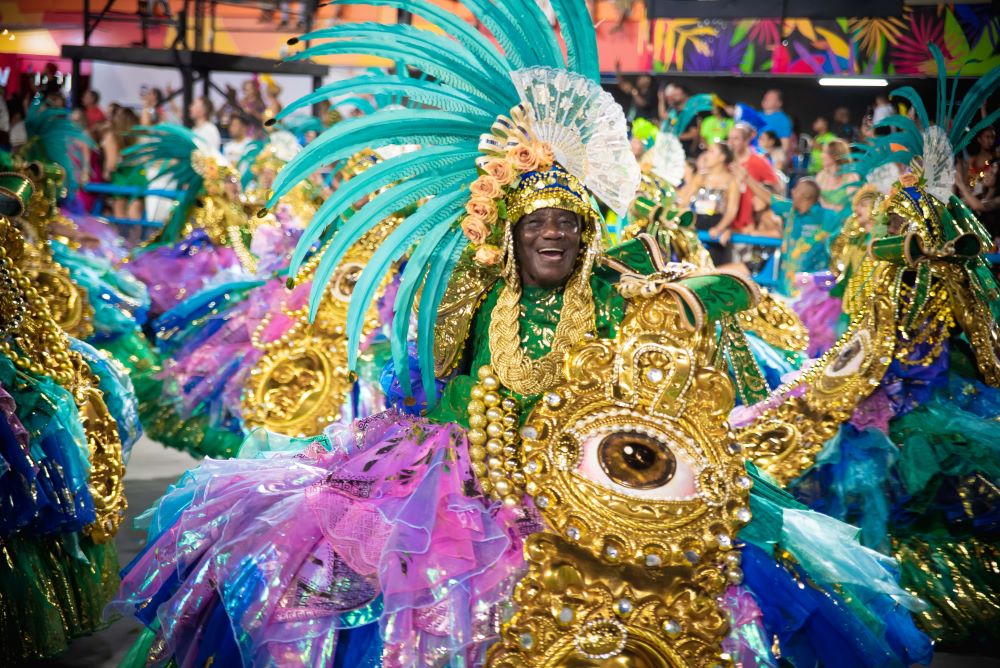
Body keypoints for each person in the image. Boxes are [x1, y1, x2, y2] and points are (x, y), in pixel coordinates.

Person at [109, 3, 932, 666]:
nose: (553, 236)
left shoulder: (616, 289)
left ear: (587, 233)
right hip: (460, 476)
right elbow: (425, 370)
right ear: (507, 231)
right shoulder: (474, 293)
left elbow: (708, 304)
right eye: (535, 223)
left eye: (568, 224)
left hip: (594, 479)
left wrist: (706, 298)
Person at [743, 174, 838, 296]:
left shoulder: (828, 217)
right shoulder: (790, 210)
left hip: (812, 292)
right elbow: (769, 198)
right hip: (784, 289)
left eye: (796, 189)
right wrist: (747, 178)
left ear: (807, 196)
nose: (792, 191)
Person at [678, 140, 740, 265]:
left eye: (711, 152)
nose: (706, 155)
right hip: (696, 222)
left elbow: (732, 210)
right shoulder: (700, 177)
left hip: (715, 223)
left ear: (722, 157)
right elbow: (684, 202)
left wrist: (719, 228)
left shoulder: (731, 180)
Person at [728, 122, 781, 232]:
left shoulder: (759, 162)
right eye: (729, 138)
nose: (731, 143)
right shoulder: (725, 162)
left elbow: (776, 191)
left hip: (749, 229)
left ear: (746, 140)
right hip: (727, 227)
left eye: (736, 139)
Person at [815, 138, 853, 213]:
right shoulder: (821, 176)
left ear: (835, 156)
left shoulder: (851, 177)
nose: (821, 156)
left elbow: (852, 207)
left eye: (824, 152)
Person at [759, 88, 792, 166]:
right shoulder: (757, 115)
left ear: (779, 103)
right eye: (766, 97)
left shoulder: (783, 119)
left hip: (771, 157)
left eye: (771, 98)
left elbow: (785, 146)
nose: (766, 99)